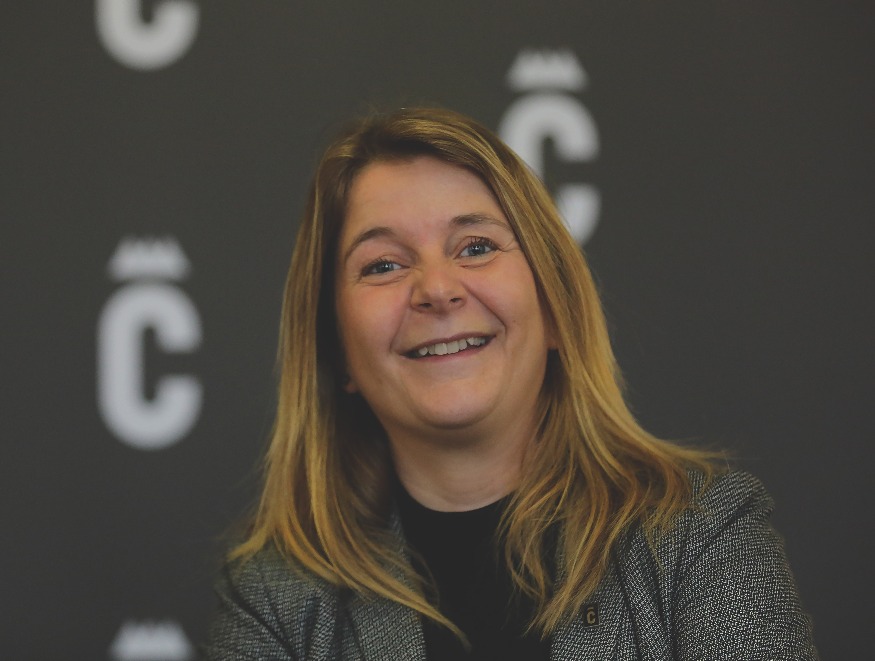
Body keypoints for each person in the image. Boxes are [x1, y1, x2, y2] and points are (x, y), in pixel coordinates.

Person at [204, 107, 818, 660]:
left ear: (554, 308)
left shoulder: (701, 532)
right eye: (384, 264)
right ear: (337, 349)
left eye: (475, 247)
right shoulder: (273, 598)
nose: (436, 289)